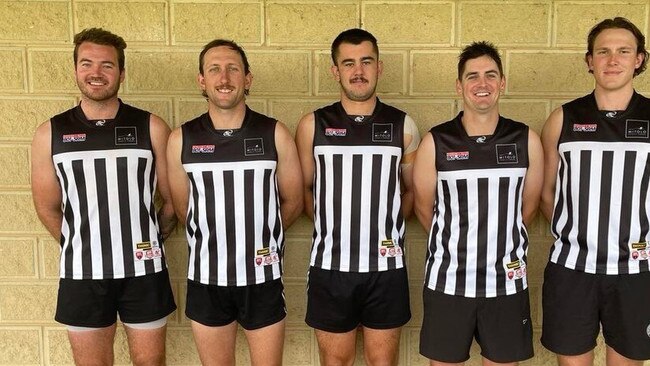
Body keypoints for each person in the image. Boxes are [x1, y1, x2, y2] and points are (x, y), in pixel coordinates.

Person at [30, 28, 176, 366]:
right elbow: (47, 207)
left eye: (107, 65)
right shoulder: (49, 133)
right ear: (76, 70)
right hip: (82, 274)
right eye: (87, 63)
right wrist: (82, 244)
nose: (96, 73)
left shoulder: (150, 126)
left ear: (121, 73)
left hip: (144, 272)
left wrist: (150, 238)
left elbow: (171, 202)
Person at [166, 39, 303, 366]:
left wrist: (260, 237)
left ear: (248, 78)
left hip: (262, 279)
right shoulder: (181, 139)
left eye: (233, 69)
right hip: (206, 280)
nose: (224, 77)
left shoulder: (274, 133)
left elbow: (293, 201)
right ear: (202, 80)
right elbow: (185, 210)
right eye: (214, 69)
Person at [413, 41, 544, 365]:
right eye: (472, 76)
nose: (481, 84)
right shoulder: (436, 141)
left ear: (502, 82)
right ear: (459, 86)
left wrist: (499, 237)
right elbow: (423, 207)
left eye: (490, 75)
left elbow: (527, 208)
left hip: (505, 284)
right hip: (448, 283)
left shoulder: (525, 139)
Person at [295, 28, 420, 365]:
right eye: (348, 63)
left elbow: (410, 192)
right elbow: (305, 190)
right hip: (331, 267)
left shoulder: (403, 125)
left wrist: (387, 228)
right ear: (336, 71)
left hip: (386, 268)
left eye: (366, 61)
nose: (358, 71)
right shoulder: (313, 125)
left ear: (379, 67)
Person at [540, 17, 650, 366]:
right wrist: (578, 237)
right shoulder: (563, 118)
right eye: (603, 51)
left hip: (636, 272)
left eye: (623, 51)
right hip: (573, 269)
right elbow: (546, 193)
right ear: (590, 60)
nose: (612, 59)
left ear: (639, 59)